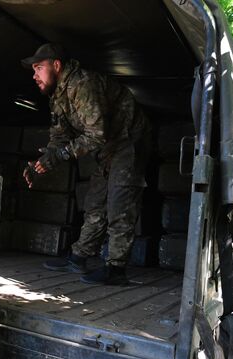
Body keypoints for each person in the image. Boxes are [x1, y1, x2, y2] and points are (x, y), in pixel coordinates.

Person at [21, 43, 150, 286]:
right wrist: (42, 162)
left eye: (38, 68)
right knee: (95, 203)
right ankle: (79, 257)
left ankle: (116, 268)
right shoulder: (57, 95)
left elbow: (97, 133)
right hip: (107, 148)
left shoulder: (83, 84)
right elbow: (60, 137)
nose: (34, 75)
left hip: (128, 143)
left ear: (56, 65)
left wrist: (57, 157)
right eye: (33, 70)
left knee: (118, 203)